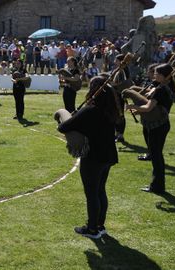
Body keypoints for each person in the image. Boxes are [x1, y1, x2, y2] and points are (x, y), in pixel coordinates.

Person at [58, 76, 119, 239]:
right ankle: (100, 225)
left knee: (92, 193)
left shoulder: (90, 110)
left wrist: (75, 115)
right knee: (100, 190)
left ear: (94, 91)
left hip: (94, 157)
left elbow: (63, 127)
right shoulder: (110, 109)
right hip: (108, 155)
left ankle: (92, 229)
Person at [125, 64, 175, 194]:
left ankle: (157, 187)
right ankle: (158, 185)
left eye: (157, 73)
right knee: (157, 156)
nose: (154, 75)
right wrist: (139, 110)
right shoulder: (168, 86)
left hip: (157, 127)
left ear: (164, 76)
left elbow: (148, 108)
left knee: (156, 157)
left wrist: (133, 106)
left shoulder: (160, 90)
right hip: (163, 124)